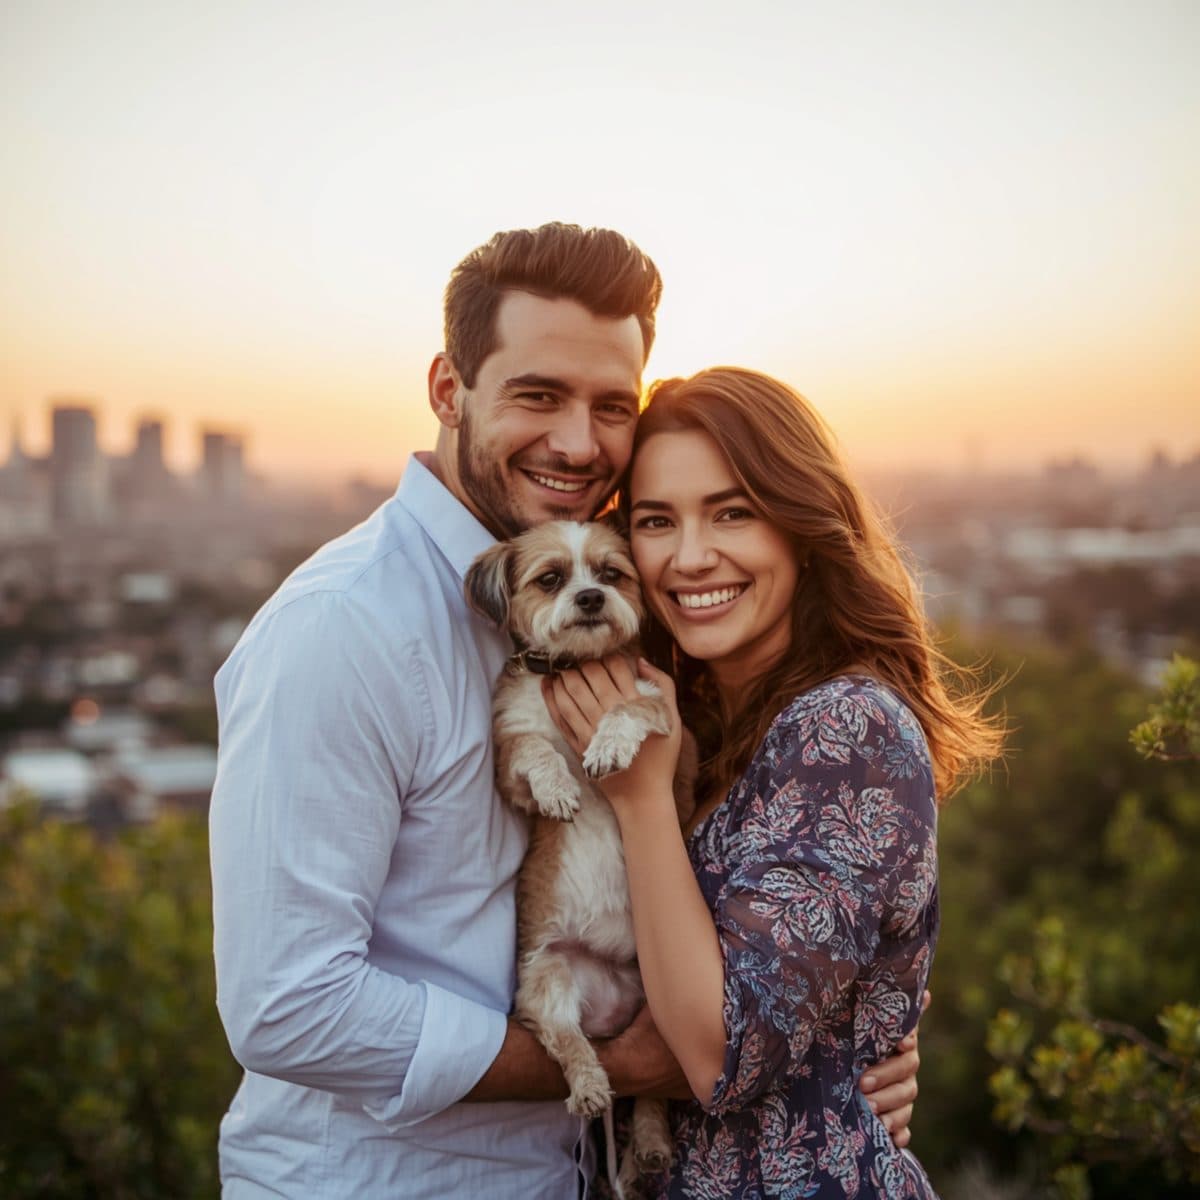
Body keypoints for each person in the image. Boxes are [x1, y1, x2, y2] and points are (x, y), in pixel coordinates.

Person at [208, 226, 921, 1199]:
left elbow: (776, 894)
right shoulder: (342, 630)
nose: (580, 444)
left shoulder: (630, 614)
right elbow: (286, 1005)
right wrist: (618, 1064)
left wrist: (855, 1030)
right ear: (448, 389)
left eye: (611, 406)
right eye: (539, 395)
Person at [544, 367, 1004, 1198]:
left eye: (733, 512)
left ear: (803, 525)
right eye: (656, 521)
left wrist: (642, 801)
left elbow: (721, 1057)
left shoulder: (850, 730)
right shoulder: (700, 718)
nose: (690, 557)